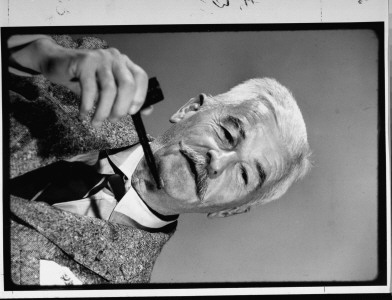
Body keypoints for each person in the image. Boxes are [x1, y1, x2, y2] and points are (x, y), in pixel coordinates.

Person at [7, 34, 312, 285]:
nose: (218, 161)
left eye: (244, 175)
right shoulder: (85, 72)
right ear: (190, 109)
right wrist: (36, 57)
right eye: (228, 134)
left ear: (233, 210)